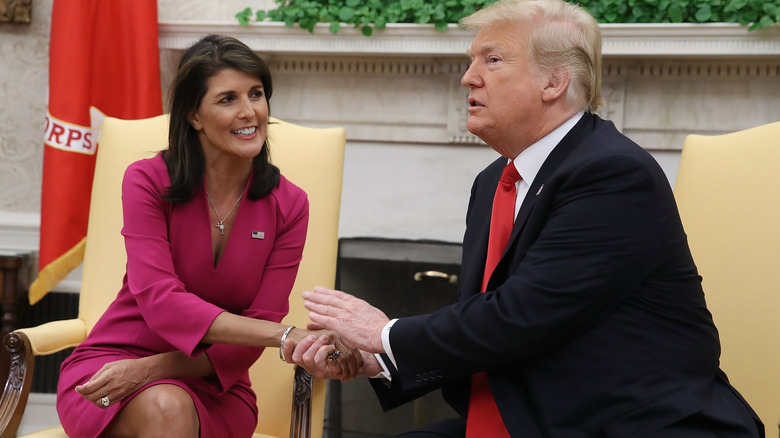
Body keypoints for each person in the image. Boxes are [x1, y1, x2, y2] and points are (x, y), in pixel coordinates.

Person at [289, 0, 765, 436]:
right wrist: (380, 360)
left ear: (553, 82)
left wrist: (383, 333)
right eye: (472, 60)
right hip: (534, 418)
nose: (468, 77)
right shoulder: (496, 179)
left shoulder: (613, 173)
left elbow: (519, 317)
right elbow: (485, 327)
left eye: (492, 60)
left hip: (631, 423)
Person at [56, 34, 360, 438]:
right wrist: (288, 335)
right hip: (114, 364)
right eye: (227, 99)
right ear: (193, 116)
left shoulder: (290, 204)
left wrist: (150, 370)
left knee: (168, 405)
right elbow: (162, 304)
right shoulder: (147, 181)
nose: (249, 112)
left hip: (217, 383)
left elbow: (254, 331)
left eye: (256, 94)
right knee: (165, 406)